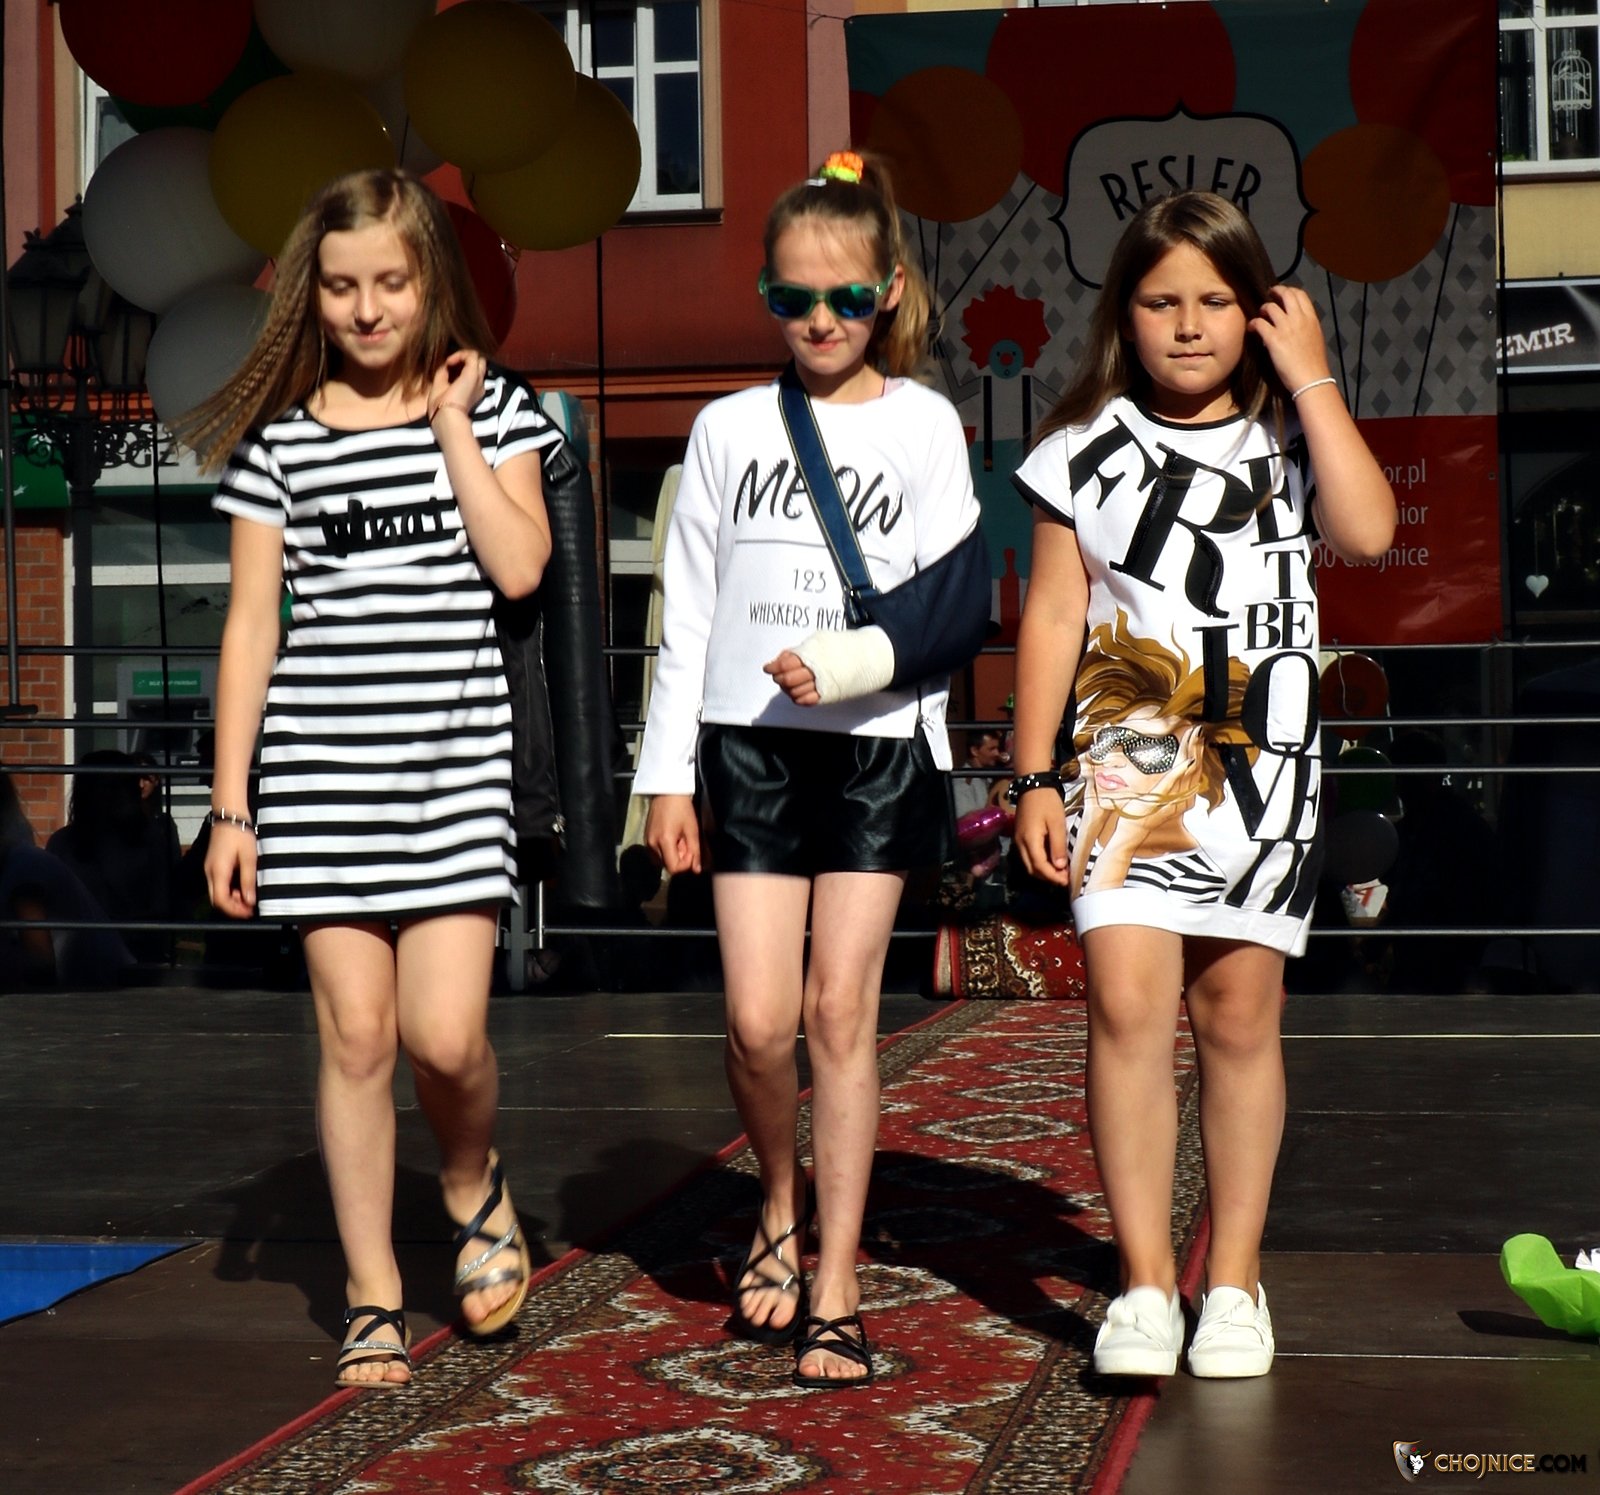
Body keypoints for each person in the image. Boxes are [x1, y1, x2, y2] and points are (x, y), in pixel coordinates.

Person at [178, 168, 560, 1387]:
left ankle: (469, 1179)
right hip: (318, 782)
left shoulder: (498, 413)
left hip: (454, 778)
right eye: (342, 286)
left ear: (427, 280)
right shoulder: (279, 446)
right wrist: (230, 808)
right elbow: (251, 628)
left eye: (390, 281)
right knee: (355, 1037)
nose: (367, 308)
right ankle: (371, 1292)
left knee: (444, 1038)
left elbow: (520, 568)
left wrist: (451, 430)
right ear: (313, 294)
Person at [1009, 190, 1395, 1379]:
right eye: (1160, 300)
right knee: (1126, 1009)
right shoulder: (1080, 451)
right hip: (1126, 762)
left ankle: (1231, 1282)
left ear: (1256, 309)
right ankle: (1140, 1286)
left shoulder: (1291, 436)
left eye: (1216, 300)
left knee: (1237, 1021)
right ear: (1121, 315)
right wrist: (1031, 774)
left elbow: (1369, 534)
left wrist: (1312, 376)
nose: (1187, 325)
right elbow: (1053, 613)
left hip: (1265, 773)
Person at [635, 150, 983, 1388]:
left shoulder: (924, 423)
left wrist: (868, 681)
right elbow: (686, 610)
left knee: (839, 1011)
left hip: (878, 748)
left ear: (887, 291)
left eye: (842, 297)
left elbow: (952, 607)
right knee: (753, 1019)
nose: (820, 320)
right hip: (747, 746)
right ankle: (774, 1199)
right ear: (767, 297)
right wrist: (665, 775)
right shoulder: (726, 426)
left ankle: (834, 1277)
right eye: (792, 299)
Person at [46, 749, 180, 963]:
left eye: (122, 785)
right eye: (107, 786)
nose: (116, 795)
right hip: (81, 958)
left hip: (137, 957)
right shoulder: (63, 844)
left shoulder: (152, 841)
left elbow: (162, 908)